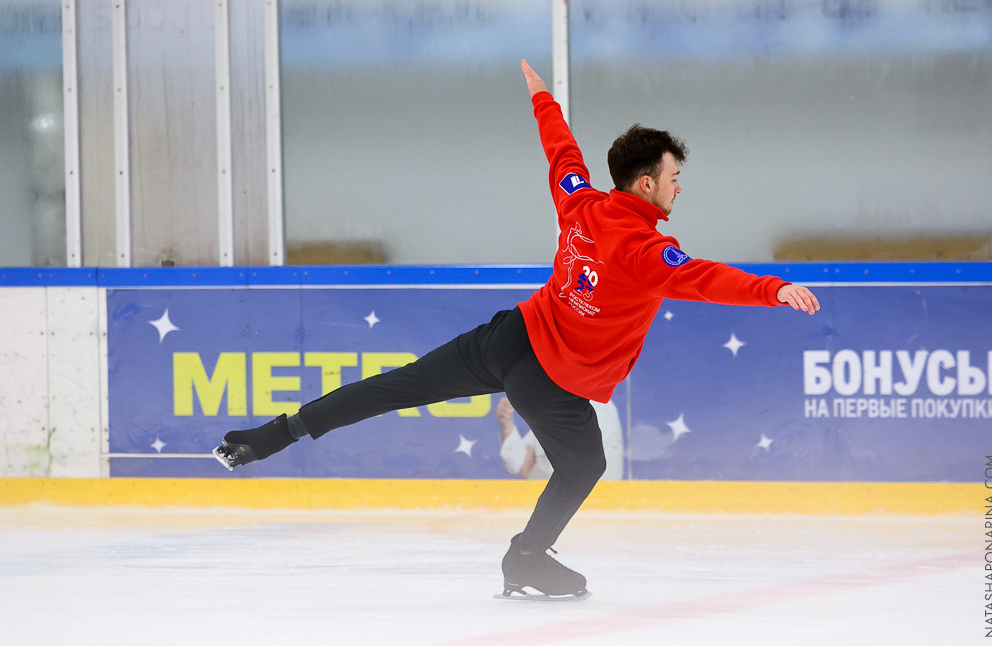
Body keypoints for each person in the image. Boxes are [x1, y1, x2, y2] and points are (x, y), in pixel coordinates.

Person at [213, 59, 820, 600]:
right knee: (584, 465)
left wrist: (542, 99)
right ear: (646, 184)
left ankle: (272, 436)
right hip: (550, 378)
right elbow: (705, 277)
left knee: (395, 386)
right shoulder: (644, 248)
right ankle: (527, 558)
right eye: (673, 175)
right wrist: (775, 289)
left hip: (509, 338)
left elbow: (563, 155)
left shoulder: (581, 204)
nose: (678, 185)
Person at [497, 396, 623, 481]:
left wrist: (527, 467)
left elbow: (524, 466)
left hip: (579, 507)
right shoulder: (557, 404)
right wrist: (507, 424)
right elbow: (519, 463)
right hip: (558, 506)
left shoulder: (600, 408)